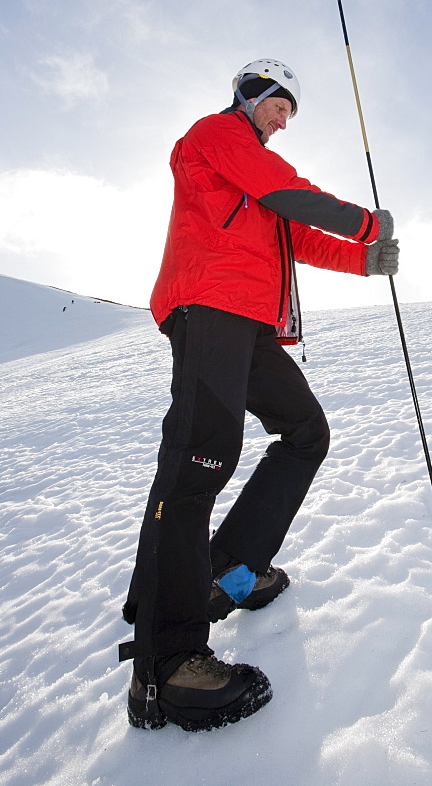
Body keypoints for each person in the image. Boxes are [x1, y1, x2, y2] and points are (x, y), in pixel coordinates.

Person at [119, 59, 399, 733]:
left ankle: (226, 569)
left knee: (306, 432)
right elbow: (290, 193)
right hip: (208, 307)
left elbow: (296, 233)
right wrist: (366, 223)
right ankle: (165, 667)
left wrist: (364, 258)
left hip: (249, 325)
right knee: (200, 460)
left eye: (291, 113)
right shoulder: (216, 137)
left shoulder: (256, 178)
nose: (284, 118)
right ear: (249, 93)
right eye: (279, 104)